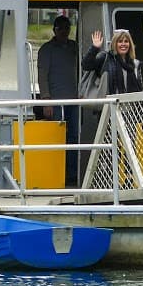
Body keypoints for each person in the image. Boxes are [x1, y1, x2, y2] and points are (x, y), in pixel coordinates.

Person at [37, 15, 80, 185]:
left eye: (67, 28)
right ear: (54, 30)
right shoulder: (46, 50)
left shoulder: (74, 47)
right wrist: (46, 100)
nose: (64, 31)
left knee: (74, 137)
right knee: (58, 137)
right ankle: (57, 175)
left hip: (75, 101)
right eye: (60, 28)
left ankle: (72, 174)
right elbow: (42, 76)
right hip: (56, 102)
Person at [82, 28, 143, 95]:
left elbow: (140, 88)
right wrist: (94, 48)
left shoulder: (135, 63)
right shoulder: (105, 58)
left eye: (126, 41)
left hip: (129, 103)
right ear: (114, 43)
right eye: (120, 41)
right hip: (109, 103)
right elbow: (86, 65)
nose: (123, 44)